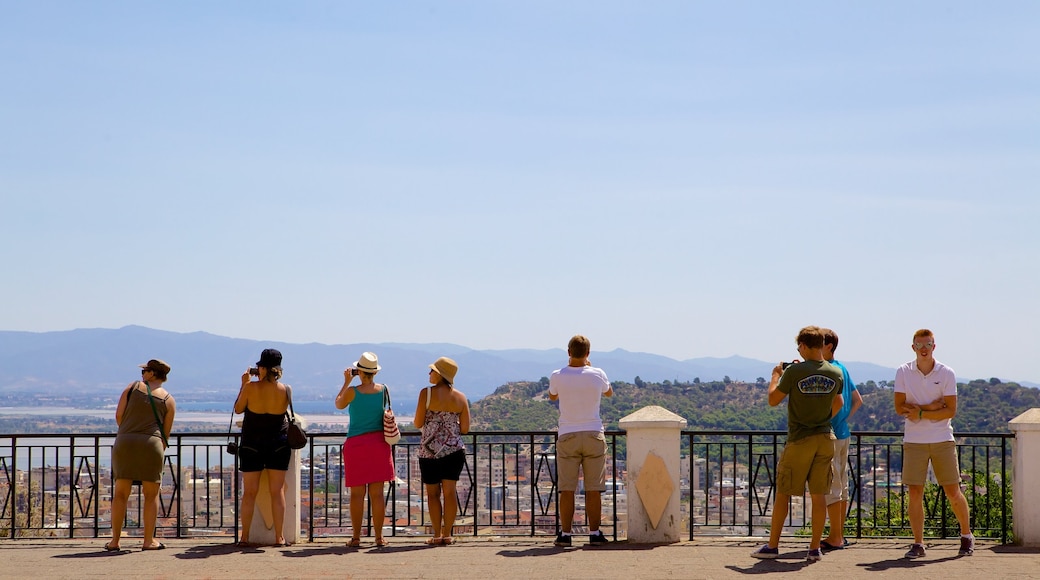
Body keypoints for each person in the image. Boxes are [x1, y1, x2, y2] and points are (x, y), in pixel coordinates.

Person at [751, 326, 843, 562]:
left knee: (783, 492)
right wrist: (820, 418)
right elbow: (839, 404)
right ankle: (814, 549)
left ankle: (772, 546)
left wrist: (775, 376)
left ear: (803, 346)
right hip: (825, 438)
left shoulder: (794, 373)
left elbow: (773, 400)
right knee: (819, 494)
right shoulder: (835, 373)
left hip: (800, 438)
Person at [894, 329, 974, 558]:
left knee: (953, 491)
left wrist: (919, 411)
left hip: (942, 440)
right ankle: (918, 543)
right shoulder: (903, 371)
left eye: (928, 344)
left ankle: (967, 536)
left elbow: (951, 410)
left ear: (934, 346)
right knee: (915, 493)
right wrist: (932, 408)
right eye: (920, 345)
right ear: (913, 348)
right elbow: (900, 407)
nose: (924, 348)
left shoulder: (946, 373)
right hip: (914, 441)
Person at [547, 335, 613, 548]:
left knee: (567, 488)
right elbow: (609, 392)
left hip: (568, 435)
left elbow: (552, 396)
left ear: (568, 352)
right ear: (588, 353)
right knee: (593, 488)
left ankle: (565, 534)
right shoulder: (598, 374)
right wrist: (589, 368)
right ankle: (594, 533)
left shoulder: (558, 375)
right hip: (594, 433)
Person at [106, 359, 175, 551]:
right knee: (151, 495)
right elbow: (166, 433)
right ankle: (148, 541)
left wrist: (130, 431)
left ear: (152, 374)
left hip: (125, 442)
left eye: (145, 370)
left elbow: (119, 416)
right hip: (151, 445)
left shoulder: (132, 388)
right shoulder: (169, 399)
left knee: (120, 494)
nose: (142, 374)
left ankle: (115, 542)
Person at [233, 348, 292, 547]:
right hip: (278, 444)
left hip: (252, 444)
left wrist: (243, 384)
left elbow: (238, 409)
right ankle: (279, 537)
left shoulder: (250, 388)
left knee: (250, 492)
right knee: (278, 492)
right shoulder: (286, 390)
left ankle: (244, 536)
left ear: (263, 368)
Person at [335, 351, 394, 547]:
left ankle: (356, 537)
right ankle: (379, 537)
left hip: (356, 446)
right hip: (379, 444)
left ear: (359, 371)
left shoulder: (352, 391)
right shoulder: (384, 390)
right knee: (377, 494)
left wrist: (345, 381)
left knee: (357, 495)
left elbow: (338, 404)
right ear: (375, 372)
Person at [414, 357, 471, 546]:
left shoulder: (426, 394)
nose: (429, 373)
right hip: (453, 451)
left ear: (439, 374)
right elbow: (465, 428)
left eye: (432, 370)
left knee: (432, 494)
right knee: (450, 493)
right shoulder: (461, 398)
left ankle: (437, 534)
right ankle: (448, 534)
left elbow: (417, 423)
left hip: (429, 451)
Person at [821, 328, 863, 551]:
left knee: (832, 487)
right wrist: (844, 418)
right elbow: (858, 400)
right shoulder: (843, 368)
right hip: (843, 433)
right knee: (842, 486)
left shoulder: (829, 370)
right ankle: (838, 533)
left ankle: (835, 537)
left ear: (828, 346)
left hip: (831, 435)